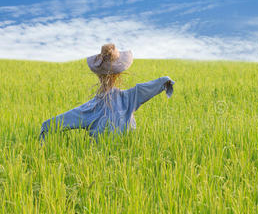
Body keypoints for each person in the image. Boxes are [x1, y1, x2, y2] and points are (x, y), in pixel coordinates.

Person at [39, 44, 175, 142]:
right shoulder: (130, 97)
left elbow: (60, 121)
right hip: (127, 152)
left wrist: (46, 127)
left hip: (100, 156)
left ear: (98, 75)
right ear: (119, 74)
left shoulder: (90, 108)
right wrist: (165, 81)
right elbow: (149, 86)